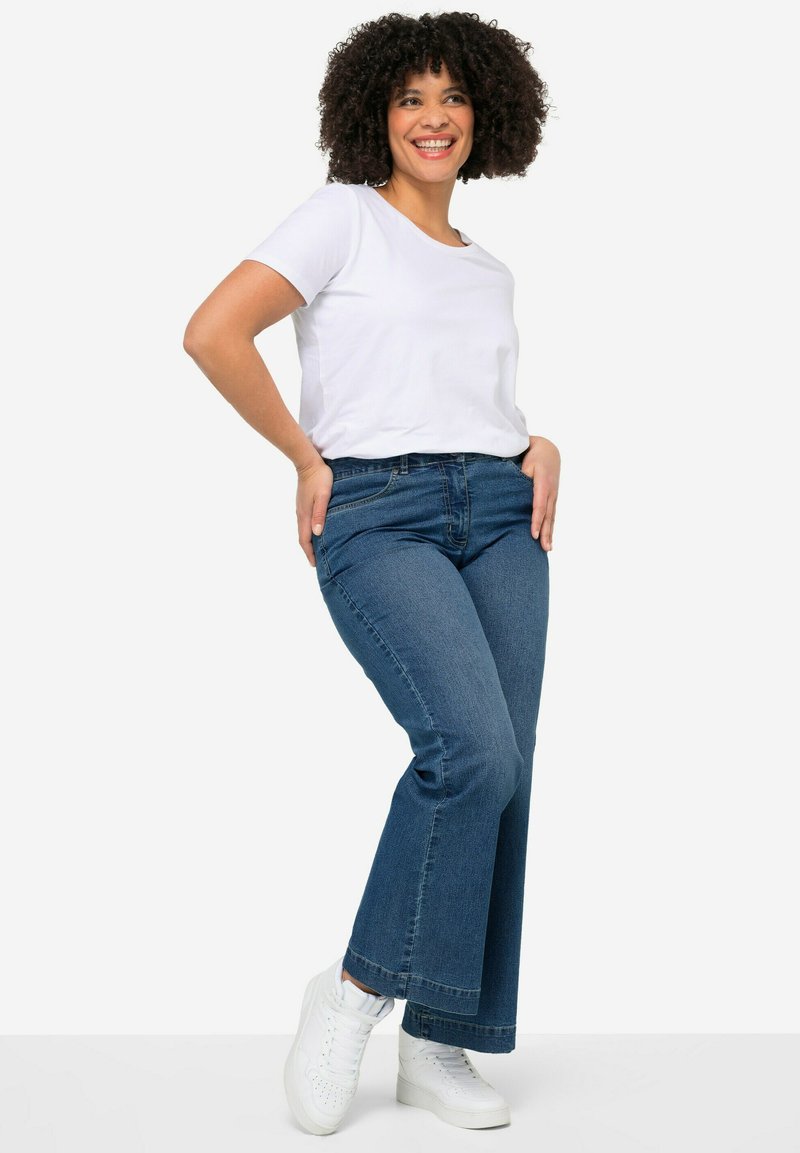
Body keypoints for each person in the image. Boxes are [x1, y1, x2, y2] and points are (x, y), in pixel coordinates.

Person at [183, 10, 560, 1135]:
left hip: (499, 515)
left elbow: (457, 395)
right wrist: (304, 457)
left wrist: (536, 442)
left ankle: (438, 1038)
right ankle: (353, 991)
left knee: (504, 775)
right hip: (378, 513)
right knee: (468, 749)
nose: (433, 117)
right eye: (409, 99)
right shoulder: (341, 219)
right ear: (374, 116)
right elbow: (213, 331)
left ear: (486, 112)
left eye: (452, 96)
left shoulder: (487, 268)